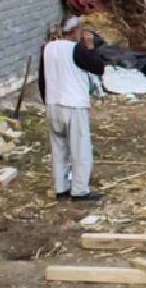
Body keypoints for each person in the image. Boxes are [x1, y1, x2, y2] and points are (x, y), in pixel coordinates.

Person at [38, 16, 106, 201]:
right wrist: (91, 47)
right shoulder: (76, 49)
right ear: (76, 31)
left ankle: (61, 187)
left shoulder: (47, 48)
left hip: (53, 103)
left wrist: (46, 100)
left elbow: (42, 78)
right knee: (80, 149)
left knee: (59, 148)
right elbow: (98, 67)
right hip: (73, 104)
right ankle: (80, 190)